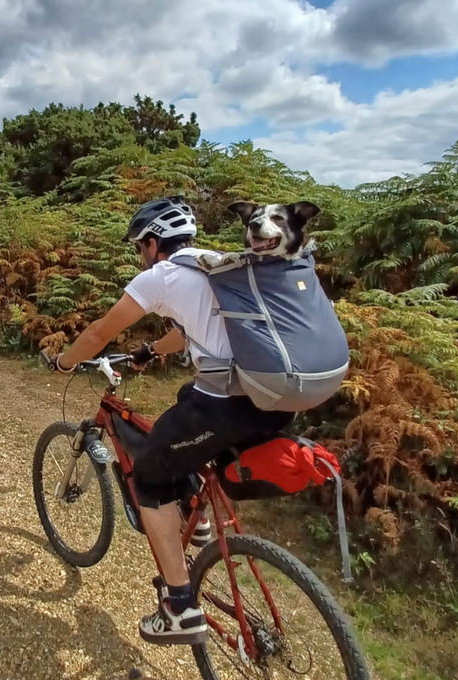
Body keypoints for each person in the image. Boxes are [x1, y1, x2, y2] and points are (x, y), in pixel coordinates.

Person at [47, 196, 295, 645]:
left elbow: (101, 332)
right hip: (277, 397)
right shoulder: (215, 265)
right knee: (180, 411)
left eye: (140, 245)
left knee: (149, 475)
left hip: (228, 404)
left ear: (153, 242)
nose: (140, 254)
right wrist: (149, 351)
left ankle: (179, 605)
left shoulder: (162, 275)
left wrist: (64, 363)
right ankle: (196, 521)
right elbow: (189, 329)